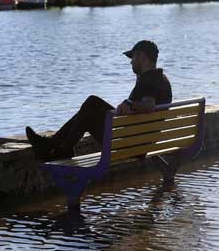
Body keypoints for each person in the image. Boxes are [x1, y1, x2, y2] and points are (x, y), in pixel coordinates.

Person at [25, 40, 172, 161]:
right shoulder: (162, 79)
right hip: (142, 143)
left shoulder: (148, 80)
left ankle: (56, 147)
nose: (131, 62)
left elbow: (149, 105)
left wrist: (129, 104)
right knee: (89, 111)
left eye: (132, 57)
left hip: (130, 146)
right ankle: (56, 146)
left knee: (92, 103)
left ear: (141, 56)